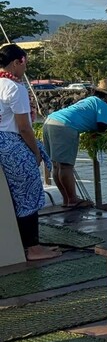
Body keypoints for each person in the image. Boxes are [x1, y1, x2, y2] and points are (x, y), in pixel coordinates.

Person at [0, 43, 60, 260]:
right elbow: (24, 127)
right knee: (28, 191)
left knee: (14, 194)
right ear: (17, 62)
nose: (25, 70)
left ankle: (22, 244)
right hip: (10, 142)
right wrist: (35, 152)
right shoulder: (15, 88)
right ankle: (32, 248)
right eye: (25, 64)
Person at [42, 87, 107, 208]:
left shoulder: (89, 100)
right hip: (64, 126)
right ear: (106, 97)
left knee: (56, 165)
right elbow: (102, 126)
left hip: (50, 121)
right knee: (65, 166)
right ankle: (73, 200)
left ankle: (66, 200)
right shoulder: (103, 104)